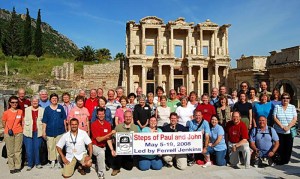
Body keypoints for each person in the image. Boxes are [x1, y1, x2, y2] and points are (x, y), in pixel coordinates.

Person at [42, 93, 67, 168]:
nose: (54, 100)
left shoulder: (60, 107)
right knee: (51, 146)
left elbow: (64, 119)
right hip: (49, 131)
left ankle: (59, 160)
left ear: (57, 100)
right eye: (53, 98)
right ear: (50, 100)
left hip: (60, 131)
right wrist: (44, 131)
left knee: (59, 146)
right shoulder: (47, 109)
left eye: (55, 98)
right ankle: (53, 160)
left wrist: (65, 129)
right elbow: (44, 121)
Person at [111, 110, 139, 176]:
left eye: (129, 116)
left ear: (132, 117)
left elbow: (137, 139)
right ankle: (116, 168)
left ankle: (122, 162)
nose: (128, 118)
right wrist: (114, 148)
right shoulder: (118, 127)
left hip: (129, 150)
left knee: (129, 167)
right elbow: (113, 138)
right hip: (120, 149)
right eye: (126, 116)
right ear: (123, 117)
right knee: (118, 156)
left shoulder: (135, 127)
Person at [273, 92, 297, 165]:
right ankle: (279, 160)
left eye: (287, 98)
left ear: (289, 99)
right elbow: (274, 117)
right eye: (284, 98)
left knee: (288, 146)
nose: (285, 99)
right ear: (281, 99)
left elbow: (295, 119)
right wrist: (282, 126)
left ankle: (286, 160)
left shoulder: (292, 107)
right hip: (279, 130)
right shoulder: (277, 106)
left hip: (289, 131)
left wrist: (288, 127)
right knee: (280, 146)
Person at [91, 108, 115, 179]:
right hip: (95, 146)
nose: (101, 115)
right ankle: (101, 173)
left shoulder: (108, 124)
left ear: (104, 114)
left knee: (111, 150)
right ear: (97, 115)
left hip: (104, 146)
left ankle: (98, 165)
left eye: (102, 114)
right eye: (99, 114)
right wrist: (110, 133)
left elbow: (108, 139)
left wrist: (112, 150)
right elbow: (98, 139)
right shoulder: (94, 124)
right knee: (101, 152)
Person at [2, 96, 23, 174]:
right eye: (13, 102)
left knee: (18, 150)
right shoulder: (6, 112)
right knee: (10, 151)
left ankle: (18, 166)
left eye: (16, 102)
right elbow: (4, 122)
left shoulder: (20, 111)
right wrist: (8, 129)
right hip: (9, 133)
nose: (15, 104)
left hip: (19, 132)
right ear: (10, 103)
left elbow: (21, 122)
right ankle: (11, 167)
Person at [23, 95, 44, 170]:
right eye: (33, 101)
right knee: (29, 149)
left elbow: (44, 122)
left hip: (38, 132)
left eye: (36, 101)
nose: (35, 102)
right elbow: (23, 120)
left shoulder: (42, 110)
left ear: (38, 102)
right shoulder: (26, 110)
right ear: (31, 102)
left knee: (37, 148)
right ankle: (30, 164)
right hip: (28, 132)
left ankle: (38, 163)